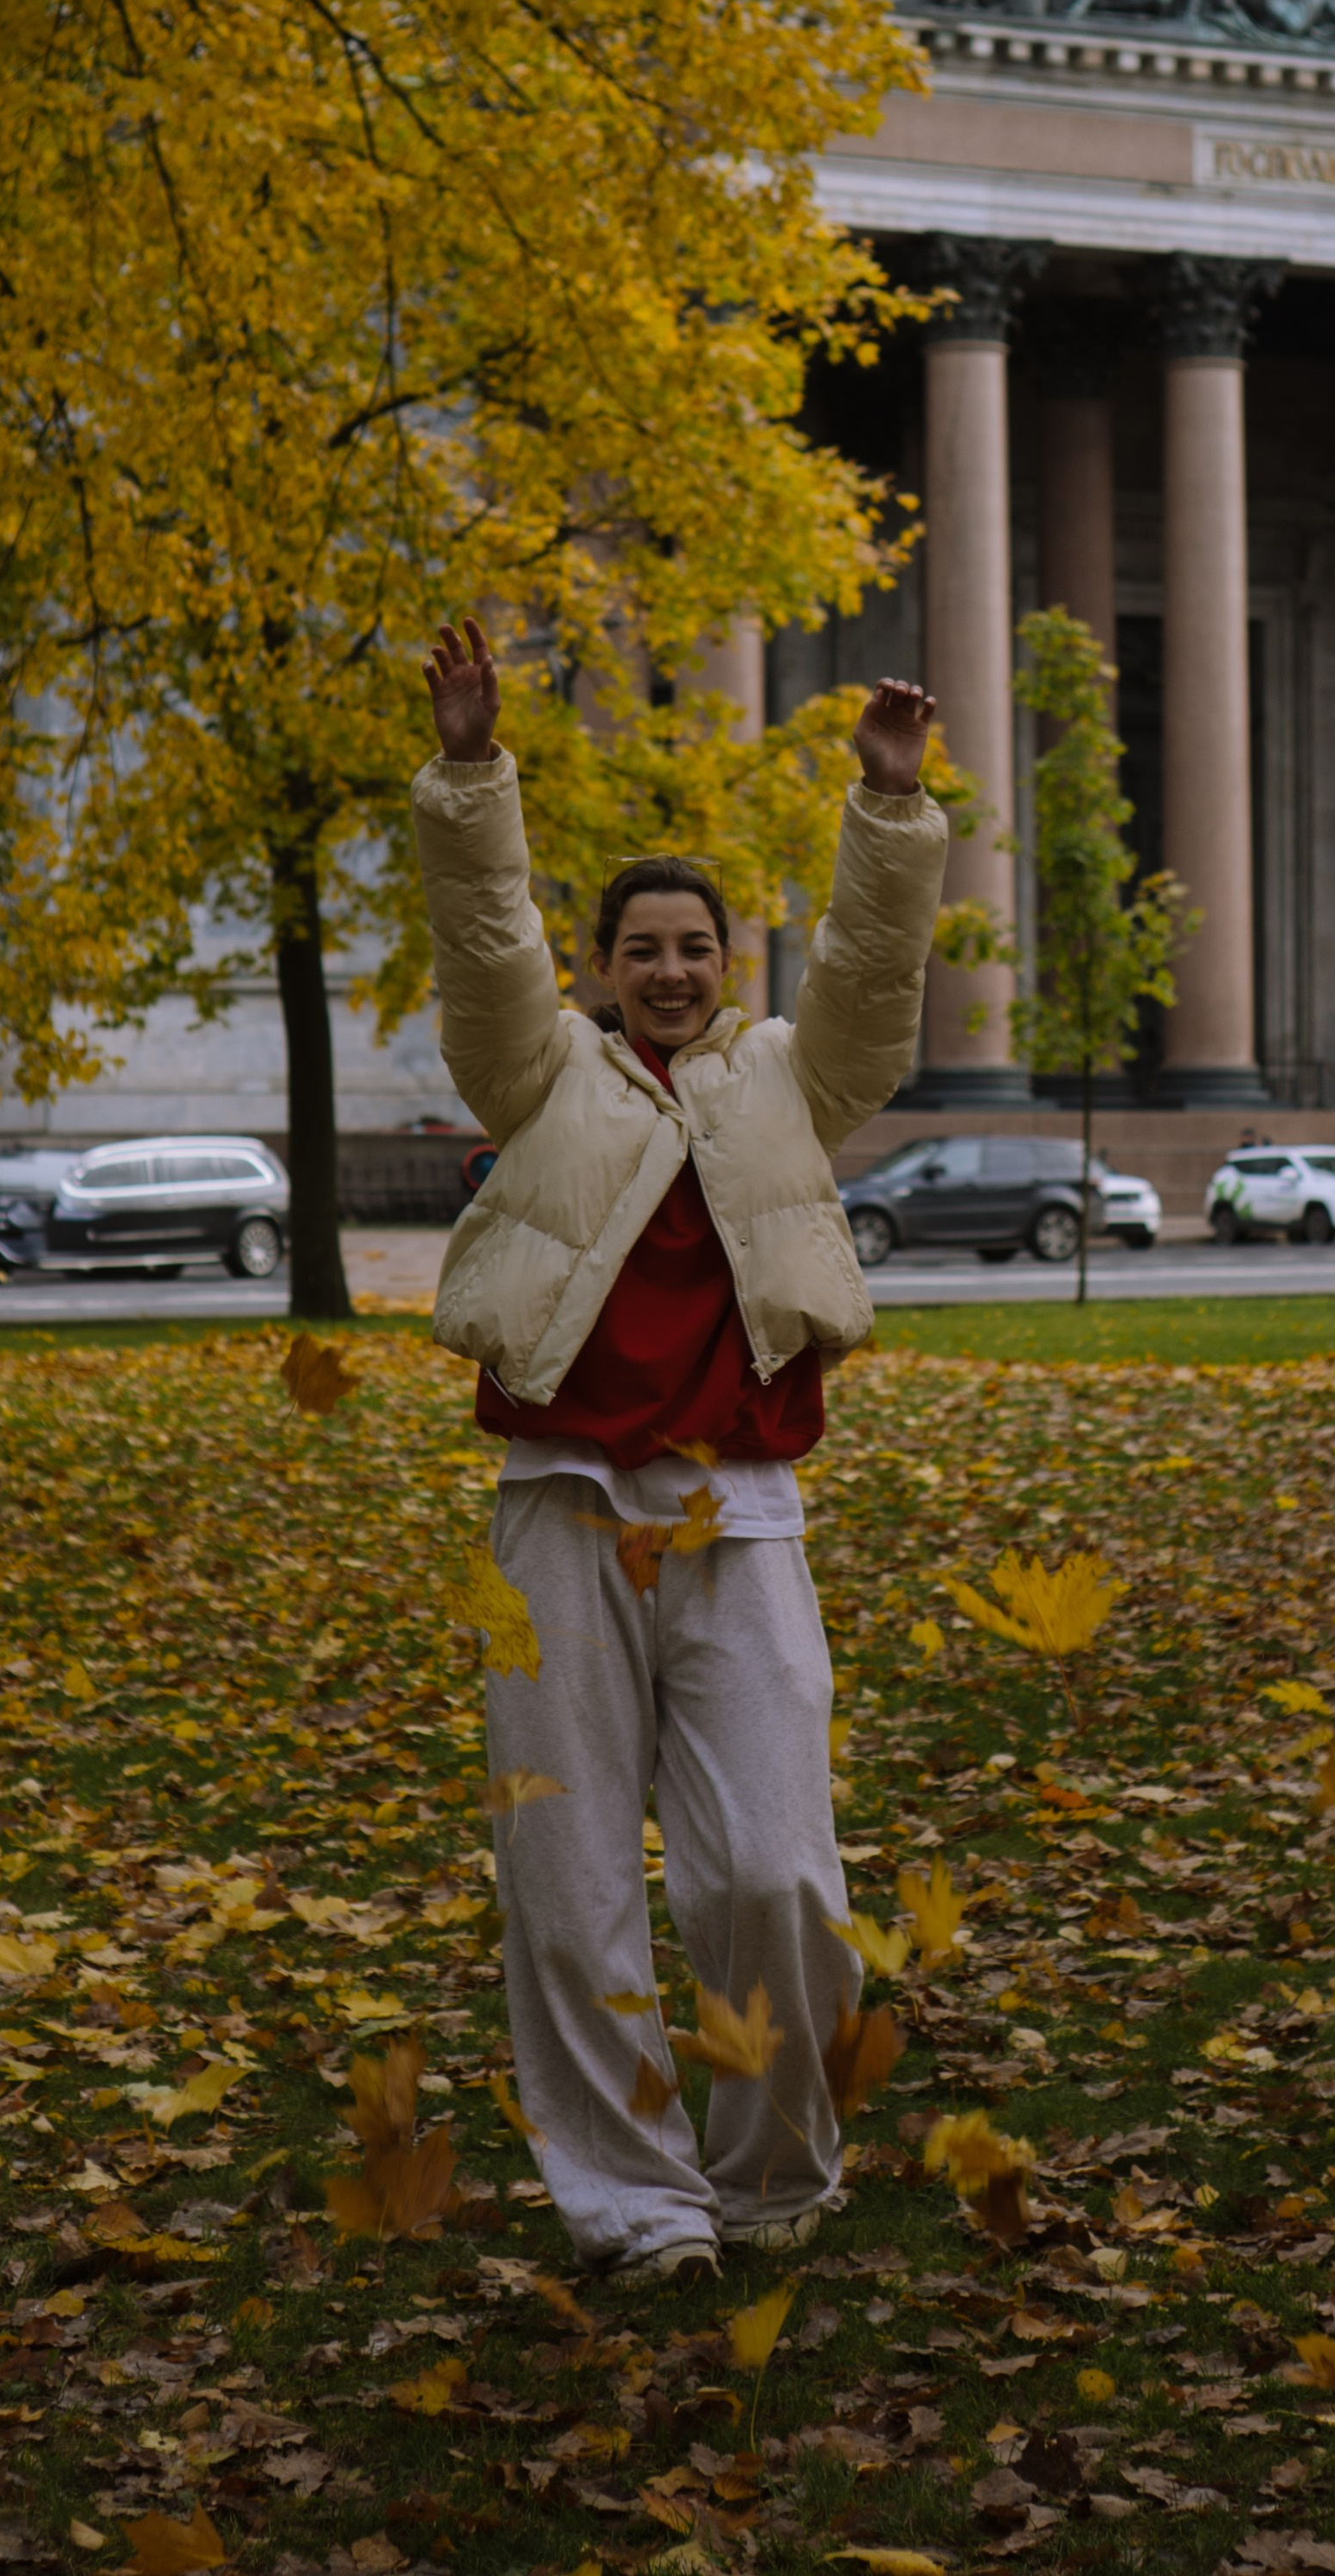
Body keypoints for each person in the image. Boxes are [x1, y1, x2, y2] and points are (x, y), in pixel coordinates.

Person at [411, 618, 949, 2285]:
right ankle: (635, 2208)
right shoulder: (541, 1071)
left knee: (776, 1869)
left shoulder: (793, 1079)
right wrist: (472, 773)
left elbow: (869, 980)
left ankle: (774, 2169)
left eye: (694, 947)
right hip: (560, 1512)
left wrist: (890, 810)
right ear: (603, 968)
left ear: (730, 964)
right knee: (571, 1886)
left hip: (739, 1508)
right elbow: (486, 942)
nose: (668, 969)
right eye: (639, 947)